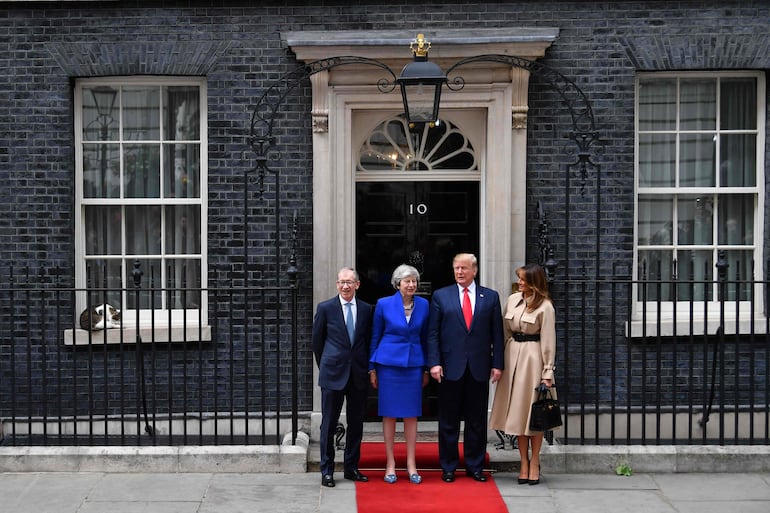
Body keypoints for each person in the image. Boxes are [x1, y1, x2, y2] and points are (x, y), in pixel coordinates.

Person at [426, 253, 504, 483]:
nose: (459, 272)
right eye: (456, 268)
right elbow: (433, 333)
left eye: (464, 268)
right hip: (450, 367)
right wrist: (434, 362)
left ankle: (475, 465)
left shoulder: (490, 297)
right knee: (448, 420)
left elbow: (497, 334)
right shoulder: (441, 296)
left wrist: (497, 363)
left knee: (477, 420)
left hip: (479, 367)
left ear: (474, 270)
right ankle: (448, 466)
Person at [489, 263, 557, 486]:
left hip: (533, 360)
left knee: (533, 416)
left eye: (523, 279)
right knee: (518, 415)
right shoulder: (512, 300)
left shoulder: (546, 307)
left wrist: (547, 372)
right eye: (519, 278)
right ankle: (523, 463)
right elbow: (505, 332)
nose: (519, 282)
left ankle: (535, 461)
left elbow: (549, 341)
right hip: (513, 358)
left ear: (534, 282)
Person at [311, 267, 374, 488]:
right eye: (341, 282)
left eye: (349, 282)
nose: (345, 286)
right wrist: (327, 364)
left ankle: (351, 467)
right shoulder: (326, 308)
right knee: (328, 423)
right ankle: (327, 470)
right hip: (333, 373)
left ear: (357, 284)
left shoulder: (367, 310)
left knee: (356, 423)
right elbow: (317, 342)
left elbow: (368, 341)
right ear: (337, 285)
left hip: (358, 374)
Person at [368, 264, 430, 485]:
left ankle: (412, 463)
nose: (412, 284)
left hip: (413, 364)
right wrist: (372, 367)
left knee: (412, 415)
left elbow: (425, 338)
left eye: (414, 281)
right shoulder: (384, 304)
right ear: (398, 284)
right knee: (390, 414)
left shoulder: (424, 305)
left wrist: (425, 367)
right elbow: (375, 336)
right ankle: (391, 463)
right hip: (388, 365)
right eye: (407, 281)